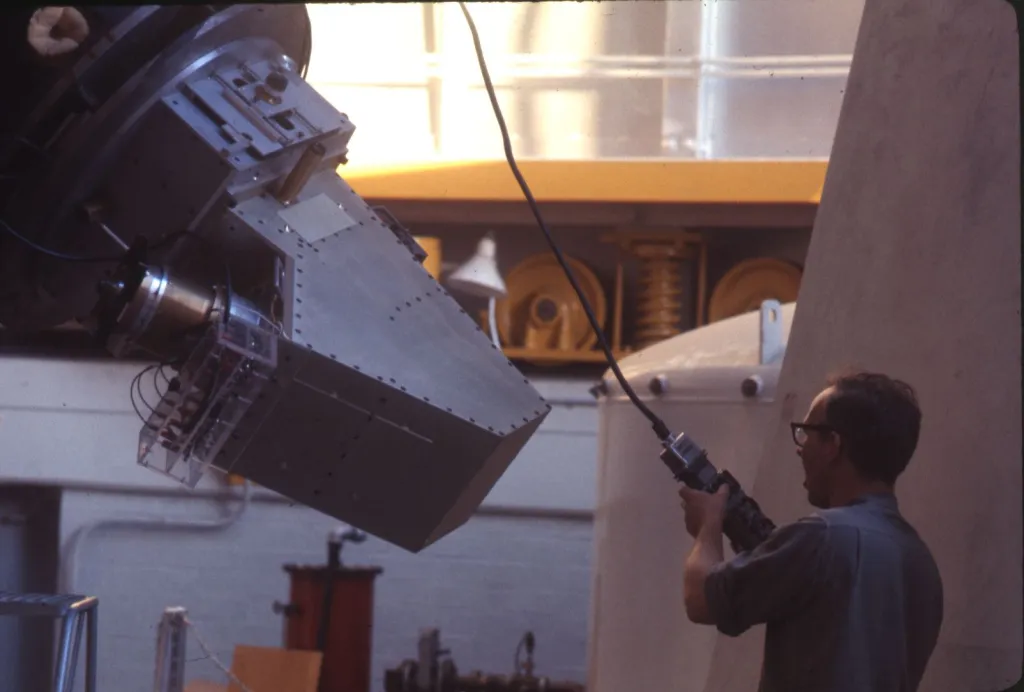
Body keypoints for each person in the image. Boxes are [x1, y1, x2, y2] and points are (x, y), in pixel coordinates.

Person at [678, 371, 944, 692]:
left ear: (832, 444)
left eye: (805, 434)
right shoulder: (921, 562)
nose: (799, 449)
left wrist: (708, 526)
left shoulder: (821, 537)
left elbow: (700, 599)